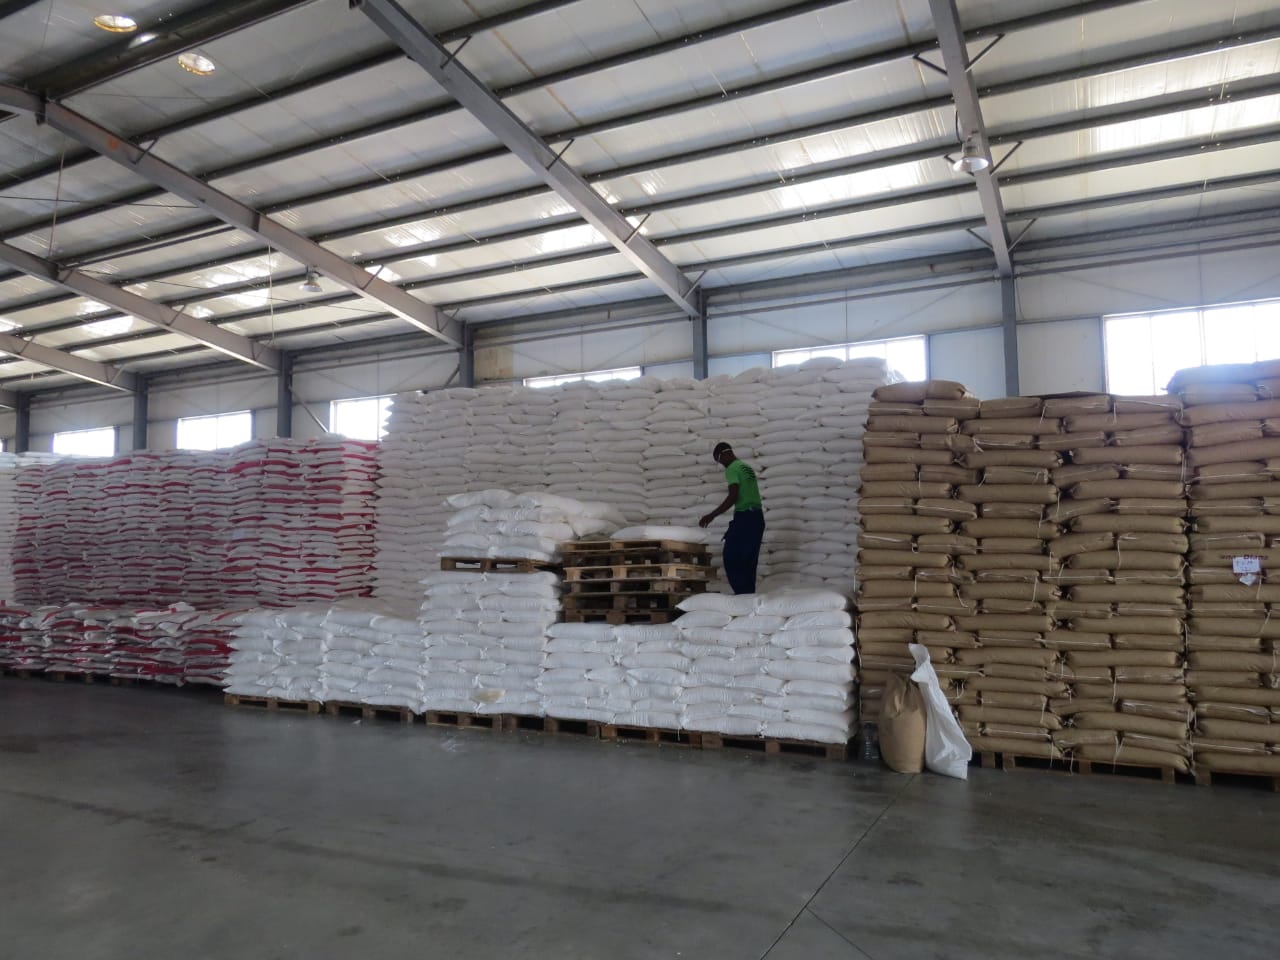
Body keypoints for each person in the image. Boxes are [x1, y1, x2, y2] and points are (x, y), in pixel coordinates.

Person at [699, 442, 765, 595]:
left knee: (731, 556)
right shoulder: (745, 467)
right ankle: (748, 597)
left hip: (745, 518)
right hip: (757, 518)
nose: (721, 464)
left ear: (723, 454)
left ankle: (742, 595)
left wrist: (711, 515)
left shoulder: (732, 468)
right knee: (749, 561)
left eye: (718, 460)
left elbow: (733, 495)